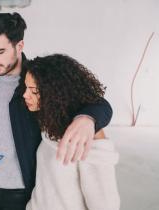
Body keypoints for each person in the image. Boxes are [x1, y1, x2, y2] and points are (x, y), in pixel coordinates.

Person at [0, 13, 113, 210]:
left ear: (19, 46)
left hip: (21, 191)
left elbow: (100, 104)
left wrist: (87, 118)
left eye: (0, 51)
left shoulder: (37, 80)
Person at [23, 54, 120, 210]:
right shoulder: (50, 123)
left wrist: (88, 119)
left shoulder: (86, 136)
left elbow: (105, 205)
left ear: (55, 93)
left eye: (33, 90)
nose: (25, 95)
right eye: (26, 88)